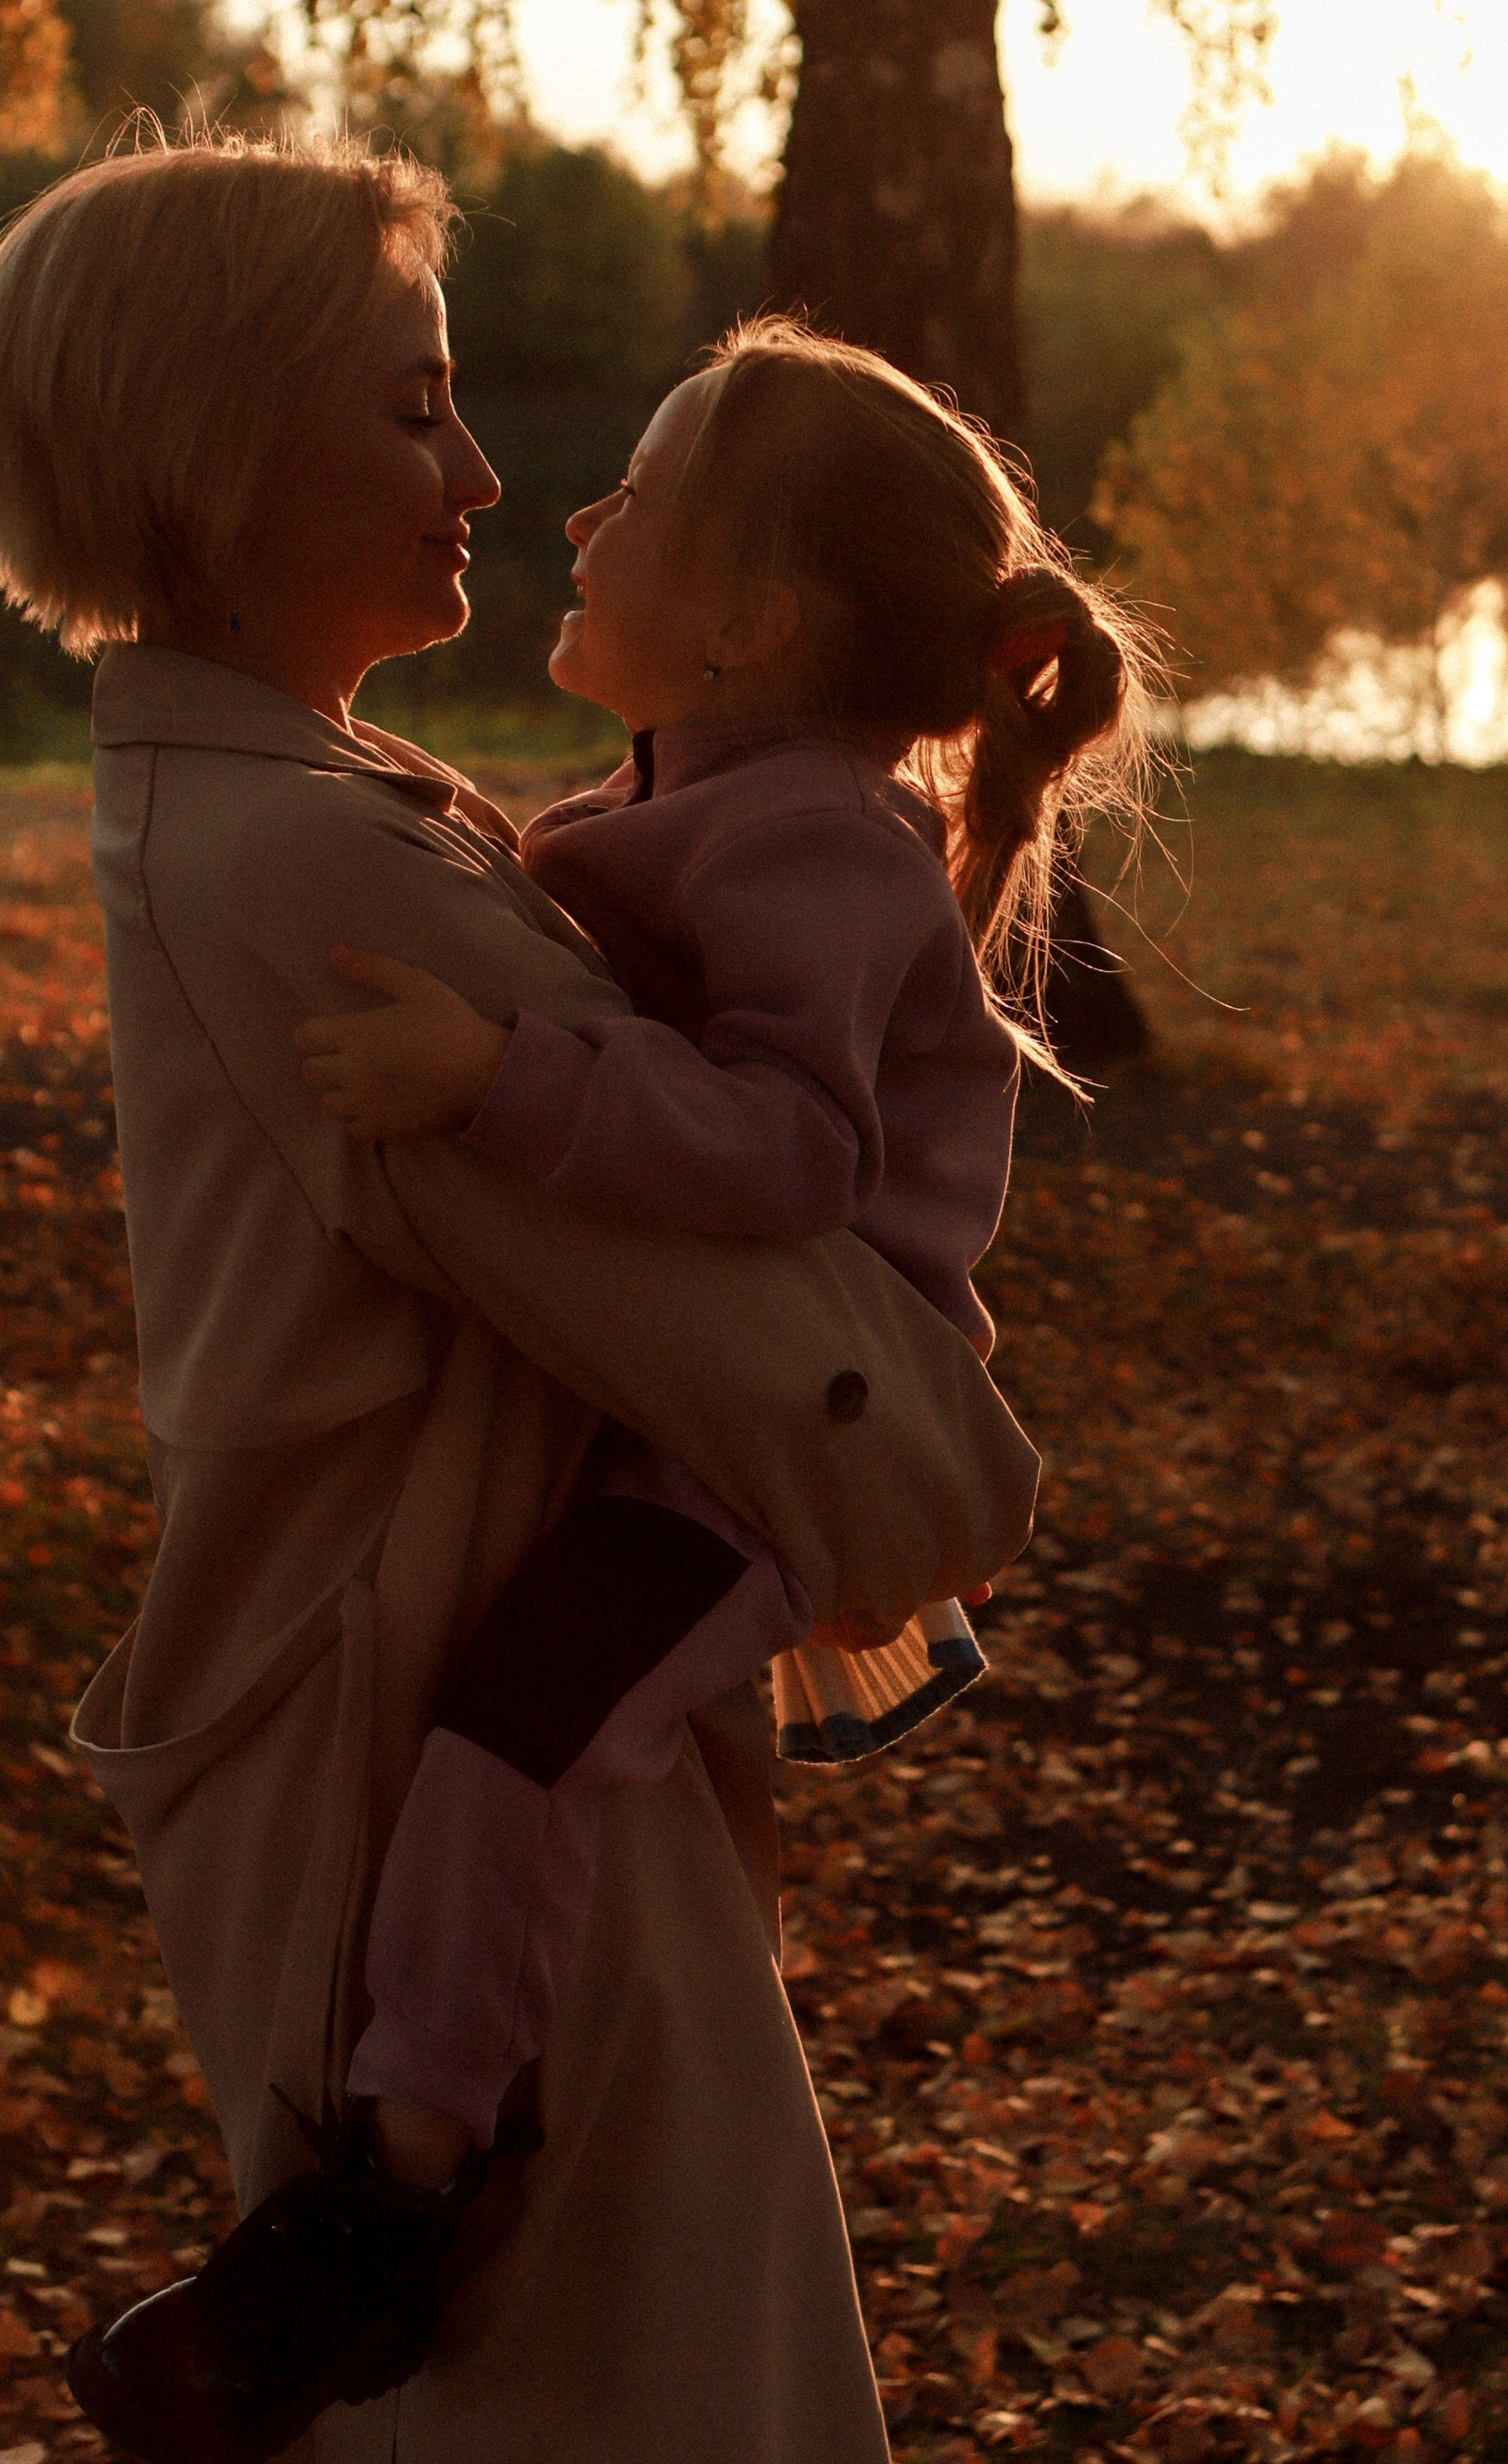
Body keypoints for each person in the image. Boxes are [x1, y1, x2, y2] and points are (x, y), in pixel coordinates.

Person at [0, 125, 1040, 2464]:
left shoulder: (337, 808)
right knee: (637, 2379)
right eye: (412, 404)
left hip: (451, 1718)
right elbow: (749, 1333)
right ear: (216, 450)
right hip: (446, 1739)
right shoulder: (319, 870)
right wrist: (954, 1471)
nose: (482, 466)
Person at [295, 312, 1151, 2299]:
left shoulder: (816, 841)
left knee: (523, 1722)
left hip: (775, 1446)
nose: (580, 518)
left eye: (643, 497)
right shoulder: (696, 795)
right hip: (700, 1392)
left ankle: (406, 2177)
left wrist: (497, 1076)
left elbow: (787, 1154)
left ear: (751, 618)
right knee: (552, 1733)